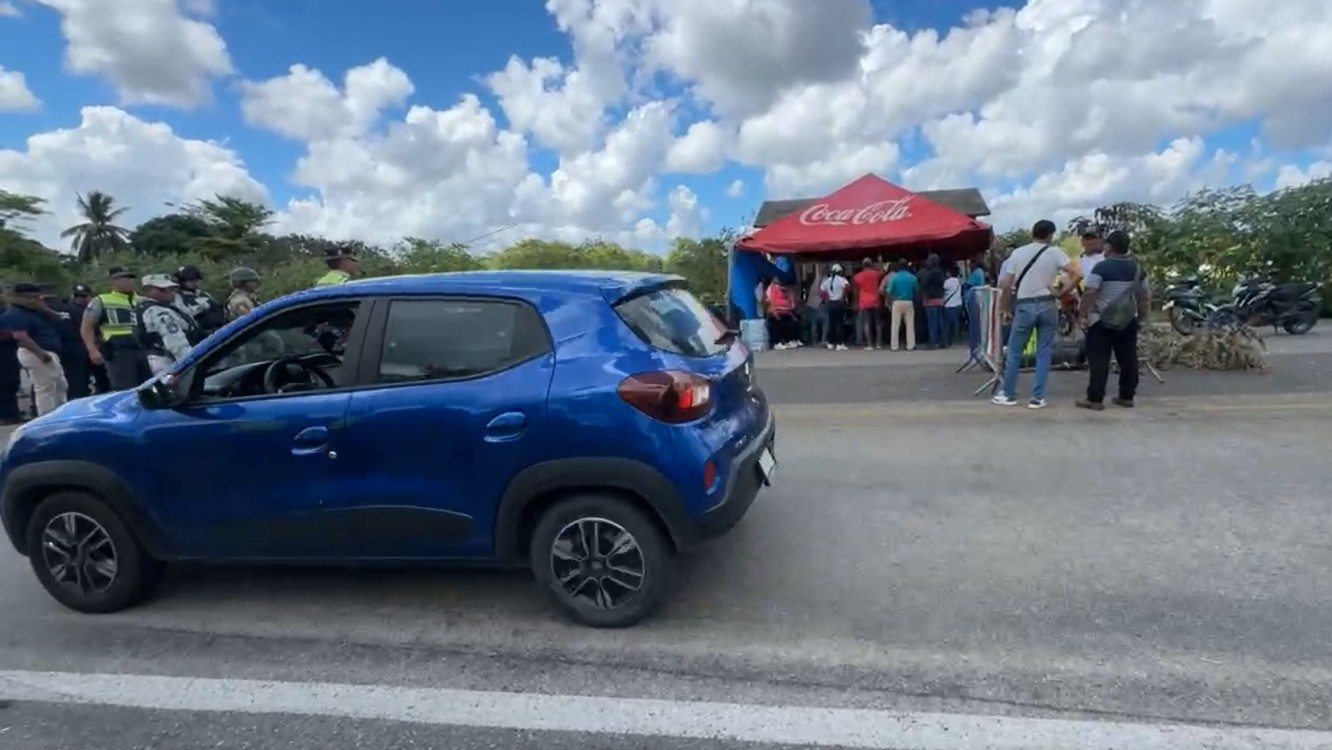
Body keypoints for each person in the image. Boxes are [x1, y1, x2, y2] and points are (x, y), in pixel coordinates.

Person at [993, 220, 1075, 409]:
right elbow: (1076, 273)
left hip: (1024, 305)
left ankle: (1008, 393)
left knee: (1014, 352)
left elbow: (1007, 285)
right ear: (1050, 235)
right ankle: (1037, 397)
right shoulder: (1055, 253)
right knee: (1043, 351)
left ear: (1032, 233)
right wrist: (1061, 292)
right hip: (1048, 304)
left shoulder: (1018, 253)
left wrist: (1005, 309)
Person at [1076, 230, 1151, 410]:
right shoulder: (1137, 269)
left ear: (1108, 246)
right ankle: (1126, 396)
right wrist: (1141, 319)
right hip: (1127, 321)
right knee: (1128, 359)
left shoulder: (1102, 267)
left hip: (1101, 321)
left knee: (1099, 361)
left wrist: (1082, 314)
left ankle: (1095, 399)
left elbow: (1090, 292)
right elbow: (1144, 298)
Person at [81, 266, 151, 391]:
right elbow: (87, 327)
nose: (128, 281)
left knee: (150, 387)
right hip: (118, 351)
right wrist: (92, 349)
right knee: (124, 389)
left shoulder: (143, 301)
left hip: (144, 349)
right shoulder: (101, 300)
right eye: (122, 278)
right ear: (113, 281)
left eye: (130, 278)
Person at [3, 283, 68, 417]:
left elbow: (60, 319)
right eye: (32, 297)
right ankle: (47, 417)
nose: (36, 299)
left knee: (60, 385)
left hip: (48, 350)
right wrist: (41, 354)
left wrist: (45, 309)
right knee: (45, 388)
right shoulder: (16, 313)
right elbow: (21, 336)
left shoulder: (36, 311)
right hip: (35, 352)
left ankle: (60, 414)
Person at [135, 274, 199, 375]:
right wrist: (192, 361)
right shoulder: (157, 311)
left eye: (171, 289)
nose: (170, 292)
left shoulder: (145, 307)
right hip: (168, 360)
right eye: (163, 289)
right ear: (148, 291)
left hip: (160, 359)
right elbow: (175, 341)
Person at [38, 283, 90, 400]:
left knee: (47, 382)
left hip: (49, 347)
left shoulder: (38, 311)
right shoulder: (72, 309)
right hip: (73, 347)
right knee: (76, 381)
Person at [69, 284, 109, 394]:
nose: (80, 299)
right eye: (77, 296)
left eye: (83, 296)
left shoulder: (96, 308)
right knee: (79, 382)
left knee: (104, 380)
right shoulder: (69, 310)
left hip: (97, 346)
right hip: (77, 348)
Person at [173, 265, 226, 336]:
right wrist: (201, 308)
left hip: (221, 327)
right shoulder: (179, 298)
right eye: (190, 280)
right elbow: (186, 315)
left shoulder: (204, 294)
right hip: (205, 333)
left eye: (196, 279)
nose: (194, 282)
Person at [883, 262, 919, 351]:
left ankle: (894, 346)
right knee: (910, 324)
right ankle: (910, 345)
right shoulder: (912, 277)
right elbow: (916, 291)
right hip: (909, 301)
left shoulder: (894, 278)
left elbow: (889, 291)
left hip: (897, 302)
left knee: (895, 324)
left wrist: (888, 302)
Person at [851, 259, 884, 349]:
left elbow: (856, 291)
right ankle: (878, 343)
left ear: (863, 265)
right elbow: (882, 272)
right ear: (871, 264)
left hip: (864, 301)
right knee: (878, 322)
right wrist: (880, 261)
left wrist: (856, 302)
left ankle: (869, 344)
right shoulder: (875, 273)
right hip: (875, 300)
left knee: (867, 323)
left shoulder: (857, 276)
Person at [818, 264, 850, 350]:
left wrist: (827, 298)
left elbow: (821, 292)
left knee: (831, 323)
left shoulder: (828, 280)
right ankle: (839, 343)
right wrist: (843, 297)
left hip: (830, 303)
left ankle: (831, 342)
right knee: (840, 323)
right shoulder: (843, 280)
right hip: (839, 302)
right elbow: (847, 288)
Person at [764, 278, 801, 349]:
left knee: (788, 326)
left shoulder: (784, 288)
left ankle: (787, 340)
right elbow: (772, 300)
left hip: (785, 311)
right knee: (777, 327)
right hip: (777, 311)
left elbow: (788, 299)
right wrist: (775, 312)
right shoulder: (772, 288)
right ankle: (777, 342)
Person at [921, 254, 947, 348]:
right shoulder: (941, 272)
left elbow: (924, 284)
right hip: (940, 299)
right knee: (940, 321)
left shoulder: (931, 273)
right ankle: (943, 341)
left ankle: (932, 342)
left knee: (932, 322)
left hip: (931, 299)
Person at [801, 264, 827, 346]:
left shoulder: (816, 281)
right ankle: (821, 340)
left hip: (811, 305)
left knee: (813, 324)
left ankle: (814, 341)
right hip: (817, 305)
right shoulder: (822, 280)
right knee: (822, 323)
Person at [942, 266, 964, 348]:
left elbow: (943, 289)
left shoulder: (947, 282)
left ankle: (948, 341)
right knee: (955, 323)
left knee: (948, 325)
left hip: (949, 305)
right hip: (958, 303)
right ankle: (956, 340)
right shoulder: (958, 281)